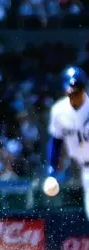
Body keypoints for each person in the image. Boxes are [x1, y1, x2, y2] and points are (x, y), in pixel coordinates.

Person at [44, 66, 89, 221]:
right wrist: (51, 170)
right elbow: (55, 141)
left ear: (83, 89)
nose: (73, 95)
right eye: (70, 91)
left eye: (76, 91)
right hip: (85, 170)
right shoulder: (59, 111)